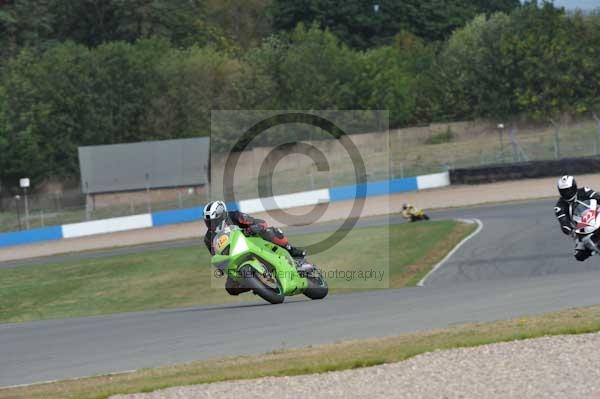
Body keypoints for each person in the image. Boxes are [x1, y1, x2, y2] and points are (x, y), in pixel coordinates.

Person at [203, 200, 306, 259]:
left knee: (269, 232)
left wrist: (254, 227)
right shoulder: (208, 238)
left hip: (252, 240)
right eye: (208, 222)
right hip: (235, 257)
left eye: (214, 220)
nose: (211, 224)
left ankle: (291, 250)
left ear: (222, 215)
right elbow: (215, 256)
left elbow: (260, 222)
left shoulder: (235, 216)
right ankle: (257, 285)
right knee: (231, 288)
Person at [554, 175, 600, 261]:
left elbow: (598, 198)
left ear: (574, 187)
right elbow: (564, 223)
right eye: (564, 191)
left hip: (595, 215)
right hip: (581, 228)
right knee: (579, 255)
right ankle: (594, 250)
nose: (567, 193)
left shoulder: (585, 191)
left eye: (569, 190)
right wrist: (571, 232)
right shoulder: (559, 206)